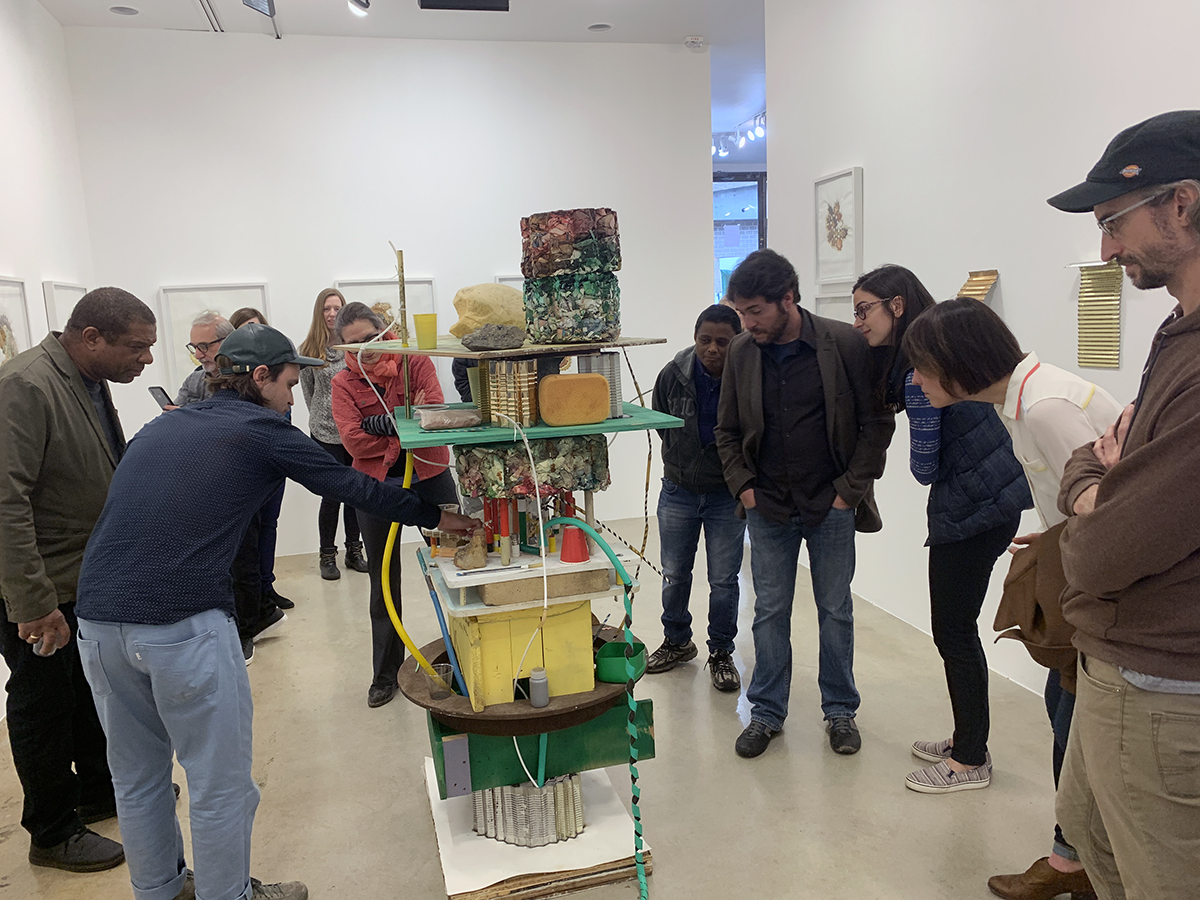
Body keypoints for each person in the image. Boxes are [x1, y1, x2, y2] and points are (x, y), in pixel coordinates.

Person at [73, 323, 477, 900]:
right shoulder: (262, 429)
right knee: (220, 787)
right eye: (288, 385)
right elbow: (351, 486)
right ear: (259, 377)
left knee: (137, 780)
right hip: (181, 624)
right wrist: (438, 517)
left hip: (98, 621)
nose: (292, 400)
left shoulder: (163, 425)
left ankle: (160, 890)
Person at [902, 297, 1121, 898]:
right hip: (1081, 575)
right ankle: (1074, 857)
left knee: (1073, 724)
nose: (915, 381)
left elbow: (1113, 511)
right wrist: (1053, 537)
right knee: (1065, 715)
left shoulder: (1045, 408)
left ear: (957, 363)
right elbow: (1084, 496)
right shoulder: (1020, 402)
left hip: (1107, 597)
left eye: (922, 367)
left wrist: (1071, 547)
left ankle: (1075, 864)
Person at [1046, 109, 1200, 900]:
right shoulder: (1178, 331)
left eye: (1113, 222)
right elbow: (1097, 453)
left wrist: (1092, 505)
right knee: (1096, 853)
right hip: (1125, 668)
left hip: (1163, 690)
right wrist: (1096, 488)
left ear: (1183, 203)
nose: (1105, 251)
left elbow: (1103, 554)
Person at [852, 268, 1032, 795]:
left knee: (953, 631)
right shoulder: (948, 348)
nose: (857, 321)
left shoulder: (917, 375)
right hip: (997, 501)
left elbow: (924, 467)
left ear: (897, 305)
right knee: (959, 629)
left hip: (969, 511)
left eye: (864, 309)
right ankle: (966, 738)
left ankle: (970, 758)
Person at [715, 249, 895, 758]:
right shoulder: (742, 351)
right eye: (741, 312)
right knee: (769, 611)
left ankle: (840, 711)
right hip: (767, 504)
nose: (746, 323)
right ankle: (766, 713)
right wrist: (744, 487)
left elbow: (876, 423)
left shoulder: (844, 344)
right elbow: (727, 430)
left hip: (829, 504)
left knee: (835, 610)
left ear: (788, 299)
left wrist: (848, 491)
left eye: (755, 311)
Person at [0, 287, 156, 873]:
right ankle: (51, 830)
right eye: (136, 347)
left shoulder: (86, 379)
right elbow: (5, 501)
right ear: (91, 338)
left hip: (82, 578)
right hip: (40, 586)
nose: (146, 359)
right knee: (43, 705)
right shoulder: (26, 386)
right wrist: (33, 603)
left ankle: (97, 790)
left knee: (87, 692)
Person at [331, 302, 458, 709]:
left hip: (430, 474)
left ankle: (466, 658)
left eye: (372, 338)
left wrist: (384, 426)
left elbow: (432, 414)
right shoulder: (343, 384)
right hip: (375, 486)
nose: (366, 349)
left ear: (385, 331)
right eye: (355, 344)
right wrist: (403, 425)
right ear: (343, 347)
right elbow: (353, 442)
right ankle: (385, 675)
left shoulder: (414, 361)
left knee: (460, 566)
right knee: (383, 580)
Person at [647, 304, 746, 692]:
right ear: (694, 337)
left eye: (723, 342)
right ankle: (677, 642)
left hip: (726, 495)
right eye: (705, 340)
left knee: (723, 580)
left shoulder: (747, 377)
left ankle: (720, 651)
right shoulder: (672, 375)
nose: (713, 349)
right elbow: (662, 421)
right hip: (679, 491)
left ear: (737, 341)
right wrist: (681, 462)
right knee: (674, 573)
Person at [299, 288, 368, 580]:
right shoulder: (308, 350)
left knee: (355, 496)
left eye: (336, 308)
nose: (331, 313)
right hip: (324, 434)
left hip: (353, 432)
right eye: (326, 308)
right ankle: (327, 555)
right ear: (319, 312)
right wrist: (323, 418)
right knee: (330, 497)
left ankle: (354, 551)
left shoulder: (352, 346)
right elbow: (308, 392)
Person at [173, 310, 231, 407]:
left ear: (227, 342)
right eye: (194, 347)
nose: (197, 356)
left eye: (204, 346)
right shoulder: (193, 380)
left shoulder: (244, 381)